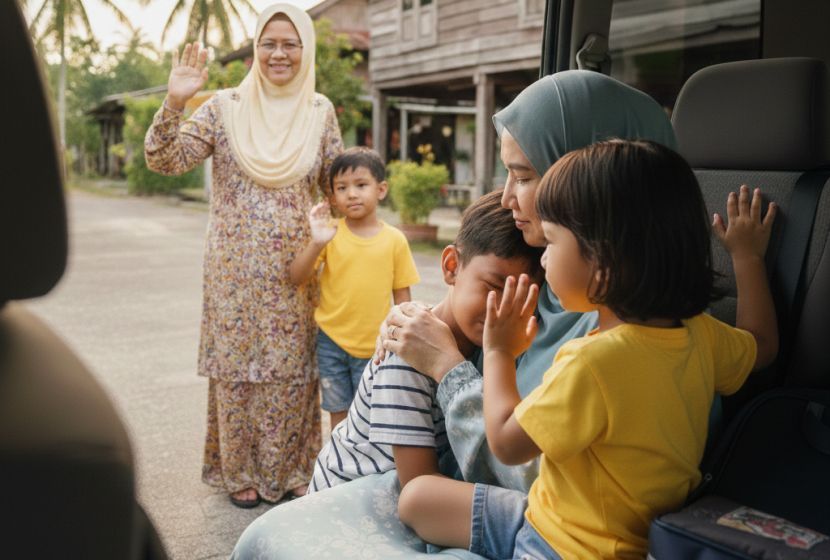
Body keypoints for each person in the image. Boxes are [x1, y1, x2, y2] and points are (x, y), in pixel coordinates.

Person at [230, 71, 679, 559]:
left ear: (591, 184)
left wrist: (449, 367)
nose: (507, 197)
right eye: (508, 174)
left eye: (524, 176)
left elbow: (530, 472)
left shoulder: (614, 325)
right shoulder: (543, 291)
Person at [398, 140, 779, 559]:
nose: (543, 260)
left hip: (563, 545)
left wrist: (498, 351)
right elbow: (762, 346)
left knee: (416, 500)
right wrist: (747, 258)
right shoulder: (699, 333)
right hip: (571, 519)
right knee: (417, 499)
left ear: (603, 263)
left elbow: (505, 442)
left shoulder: (592, 362)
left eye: (552, 243)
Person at [144, 3, 343, 508]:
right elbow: (164, 159)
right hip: (231, 270)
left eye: (290, 44)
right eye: (268, 43)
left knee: (292, 370)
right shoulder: (223, 107)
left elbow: (336, 188)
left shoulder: (319, 111)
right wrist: (175, 101)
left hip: (298, 268)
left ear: (305, 50)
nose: (279, 53)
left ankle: (295, 468)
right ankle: (239, 473)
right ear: (255, 49)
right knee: (235, 372)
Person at [307, 191, 542, 493]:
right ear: (451, 266)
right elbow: (417, 488)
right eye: (493, 287)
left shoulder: (497, 350)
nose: (502, 310)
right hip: (347, 501)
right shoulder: (408, 351)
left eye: (523, 298)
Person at [289, 147, 420, 429]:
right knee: (339, 414)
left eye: (361, 185)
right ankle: (340, 458)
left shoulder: (395, 240)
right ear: (332, 196)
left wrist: (402, 340)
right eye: (342, 188)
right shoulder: (330, 233)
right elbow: (296, 276)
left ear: (381, 190)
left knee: (372, 415)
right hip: (331, 342)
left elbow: (403, 298)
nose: (351, 194)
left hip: (376, 346)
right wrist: (317, 242)